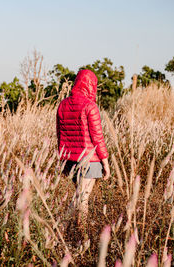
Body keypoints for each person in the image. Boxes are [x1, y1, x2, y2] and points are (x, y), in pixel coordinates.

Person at [56, 69, 110, 231]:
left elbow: (60, 135)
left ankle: (79, 227)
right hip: (90, 160)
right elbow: (97, 138)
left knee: (80, 196)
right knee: (82, 198)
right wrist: (105, 163)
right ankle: (64, 227)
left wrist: (62, 161)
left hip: (70, 160)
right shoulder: (90, 106)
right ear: (91, 86)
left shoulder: (63, 104)